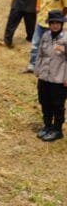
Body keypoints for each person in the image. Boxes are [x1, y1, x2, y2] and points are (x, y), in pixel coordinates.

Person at [26, 0, 67, 73]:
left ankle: (52, 68)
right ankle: (32, 65)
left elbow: (66, 7)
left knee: (53, 47)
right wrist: (38, 7)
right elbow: (39, 2)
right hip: (41, 22)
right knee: (35, 44)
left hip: (53, 25)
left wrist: (60, 20)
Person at [34, 10, 67, 142]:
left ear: (61, 24)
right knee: (44, 102)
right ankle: (47, 126)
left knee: (57, 105)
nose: (54, 25)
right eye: (52, 23)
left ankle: (57, 129)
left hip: (59, 79)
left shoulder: (65, 38)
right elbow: (40, 54)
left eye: (57, 23)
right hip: (44, 76)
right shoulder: (46, 36)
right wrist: (37, 70)